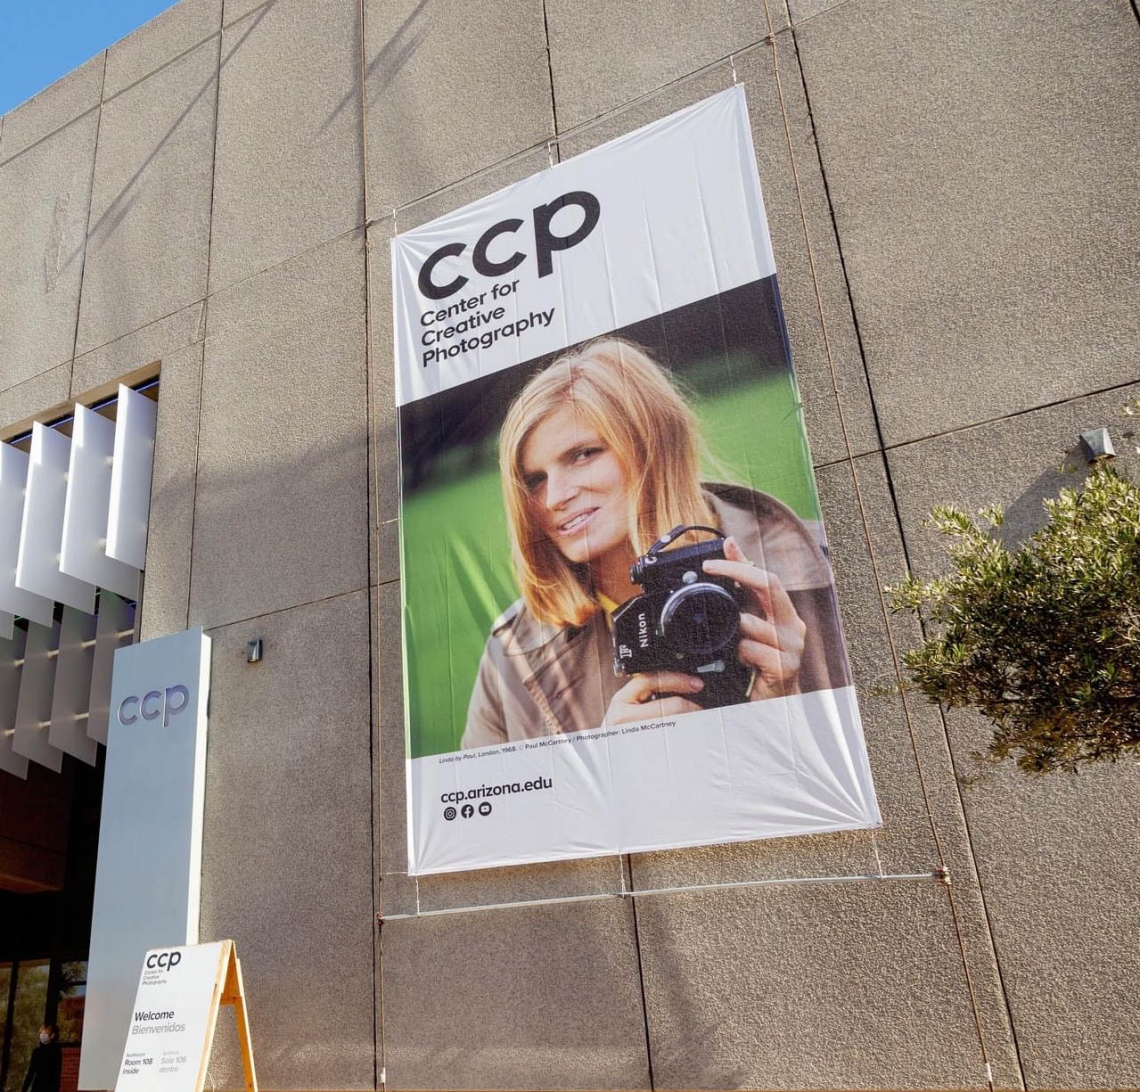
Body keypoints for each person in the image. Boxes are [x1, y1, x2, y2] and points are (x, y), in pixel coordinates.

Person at [462, 337, 850, 748]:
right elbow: (497, 809)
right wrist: (615, 768)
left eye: (583, 454)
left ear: (653, 445)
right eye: (534, 480)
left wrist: (780, 703)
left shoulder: (822, 563)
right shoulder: (512, 654)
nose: (555, 497)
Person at [21, 1024, 62, 1092]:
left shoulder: (56, 1050)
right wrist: (24, 1089)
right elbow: (31, 1072)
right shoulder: (37, 1051)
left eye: (45, 1034)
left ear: (52, 1035)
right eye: (41, 1033)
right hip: (37, 1087)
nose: (42, 1036)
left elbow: (57, 1072)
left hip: (50, 1087)